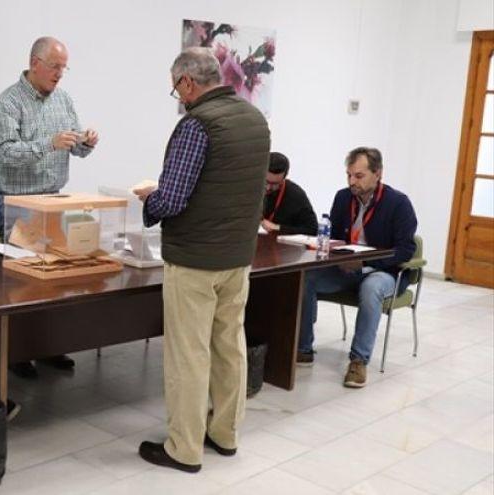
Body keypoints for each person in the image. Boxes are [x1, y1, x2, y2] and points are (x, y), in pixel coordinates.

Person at [134, 47, 270, 473]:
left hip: (194, 261)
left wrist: (148, 201)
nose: (177, 95)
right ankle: (225, 434)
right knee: (230, 347)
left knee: (188, 355)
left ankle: (184, 448)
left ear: (188, 82)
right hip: (237, 258)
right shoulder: (255, 119)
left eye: (176, 87)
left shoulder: (196, 125)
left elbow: (172, 200)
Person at [0, 36, 98, 379]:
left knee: (55, 281)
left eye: (64, 68)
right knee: (21, 283)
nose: (60, 75)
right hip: (18, 204)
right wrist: (47, 144)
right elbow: (6, 153)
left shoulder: (63, 99)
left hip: (55, 202)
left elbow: (74, 147)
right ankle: (17, 353)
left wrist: (86, 142)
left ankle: (49, 347)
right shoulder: (8, 104)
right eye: (55, 67)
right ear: (34, 63)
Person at [298, 147, 417, 388]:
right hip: (348, 268)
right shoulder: (343, 198)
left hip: (385, 272)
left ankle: (358, 361)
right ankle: (302, 348)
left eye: (359, 176)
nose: (352, 182)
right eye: (349, 175)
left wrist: (366, 262)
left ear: (378, 173)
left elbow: (405, 250)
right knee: (306, 278)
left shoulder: (398, 203)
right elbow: (335, 237)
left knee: (371, 288)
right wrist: (333, 253)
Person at [260, 152, 318, 235]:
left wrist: (278, 228)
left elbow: (312, 229)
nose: (268, 187)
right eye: (266, 182)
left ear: (285, 177)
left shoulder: (296, 195)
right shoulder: (248, 188)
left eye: (275, 184)